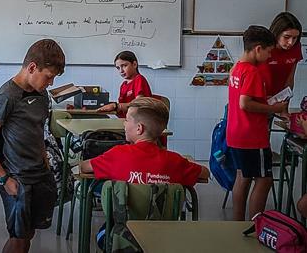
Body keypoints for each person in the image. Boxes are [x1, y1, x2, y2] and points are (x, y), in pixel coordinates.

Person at [0, 39, 65, 253]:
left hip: (39, 173)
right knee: (18, 238)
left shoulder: (41, 94)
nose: (50, 83)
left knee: (28, 234)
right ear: (32, 67)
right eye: (49, 77)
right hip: (16, 177)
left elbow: (37, 130)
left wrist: (44, 161)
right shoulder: (8, 96)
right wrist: (3, 178)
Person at [227, 25, 289, 221]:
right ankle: (256, 224)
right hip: (252, 136)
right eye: (269, 51)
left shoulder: (236, 67)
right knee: (264, 181)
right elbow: (245, 103)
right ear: (258, 49)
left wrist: (267, 102)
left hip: (235, 133)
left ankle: (236, 223)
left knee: (242, 176)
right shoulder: (253, 71)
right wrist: (275, 109)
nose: (270, 56)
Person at [81, 98, 209, 184]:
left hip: (124, 223)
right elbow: (205, 173)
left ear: (139, 128)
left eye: (126, 120)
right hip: (164, 222)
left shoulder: (116, 155)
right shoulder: (175, 161)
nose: (124, 124)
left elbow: (84, 167)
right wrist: (187, 162)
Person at [259, 12, 302, 97]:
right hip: (259, 97)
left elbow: (290, 78)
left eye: (294, 38)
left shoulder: (296, 47)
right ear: (277, 33)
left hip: (279, 97)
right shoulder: (263, 46)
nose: (290, 42)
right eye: (286, 37)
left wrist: (286, 102)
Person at [98, 51, 152, 118]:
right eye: (118, 68)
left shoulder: (139, 79)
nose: (121, 71)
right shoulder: (123, 85)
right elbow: (123, 109)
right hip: (126, 120)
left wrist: (116, 106)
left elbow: (139, 104)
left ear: (134, 64)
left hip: (139, 120)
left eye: (124, 66)